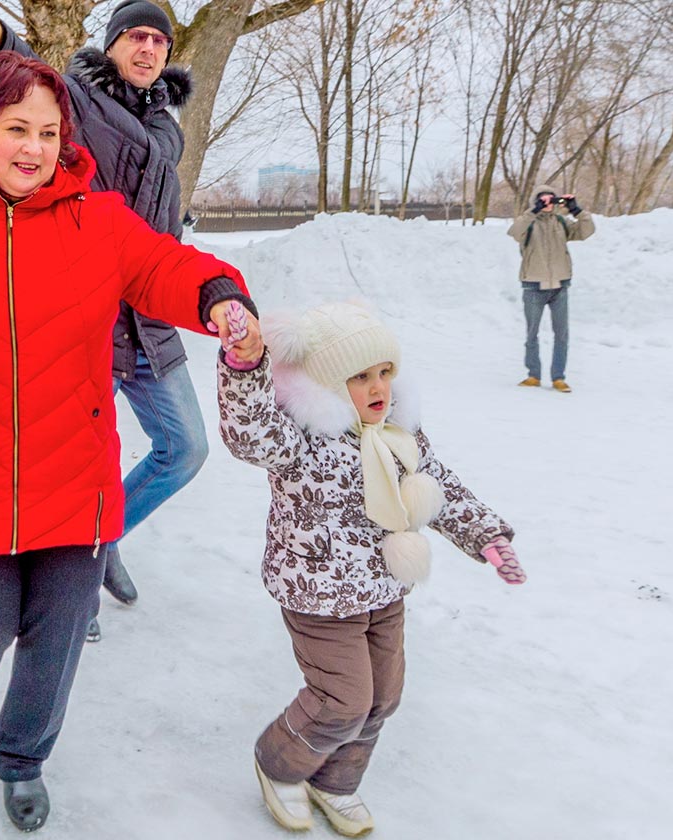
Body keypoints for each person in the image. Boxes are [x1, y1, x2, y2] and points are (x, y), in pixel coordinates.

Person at [0, 52, 261, 832]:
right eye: (15, 129)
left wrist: (219, 296)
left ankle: (22, 758)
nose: (32, 147)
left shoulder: (97, 220)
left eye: (47, 131)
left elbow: (166, 266)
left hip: (74, 474)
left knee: (58, 632)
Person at [216, 302, 525, 836]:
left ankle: (335, 781)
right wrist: (244, 369)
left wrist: (487, 534)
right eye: (360, 376)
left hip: (384, 586)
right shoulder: (301, 436)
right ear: (331, 384)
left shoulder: (399, 431)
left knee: (383, 697)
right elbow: (250, 433)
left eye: (385, 371)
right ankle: (280, 764)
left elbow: (439, 487)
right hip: (318, 591)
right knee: (343, 699)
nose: (379, 386)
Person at [0, 0, 203, 638]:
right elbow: (19, 66)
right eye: (136, 35)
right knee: (79, 466)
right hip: (87, 313)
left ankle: (102, 542)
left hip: (149, 316)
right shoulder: (75, 100)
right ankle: (72, 588)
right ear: (112, 46)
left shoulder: (168, 129)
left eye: (160, 40)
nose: (149, 47)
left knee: (185, 448)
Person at [507, 185, 594, 393]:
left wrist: (577, 210)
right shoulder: (528, 223)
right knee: (532, 334)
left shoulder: (561, 222)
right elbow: (514, 232)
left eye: (550, 199)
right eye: (542, 199)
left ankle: (558, 377)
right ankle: (533, 375)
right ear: (536, 201)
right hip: (533, 286)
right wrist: (534, 211)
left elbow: (586, 231)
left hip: (560, 286)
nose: (547, 203)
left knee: (562, 335)